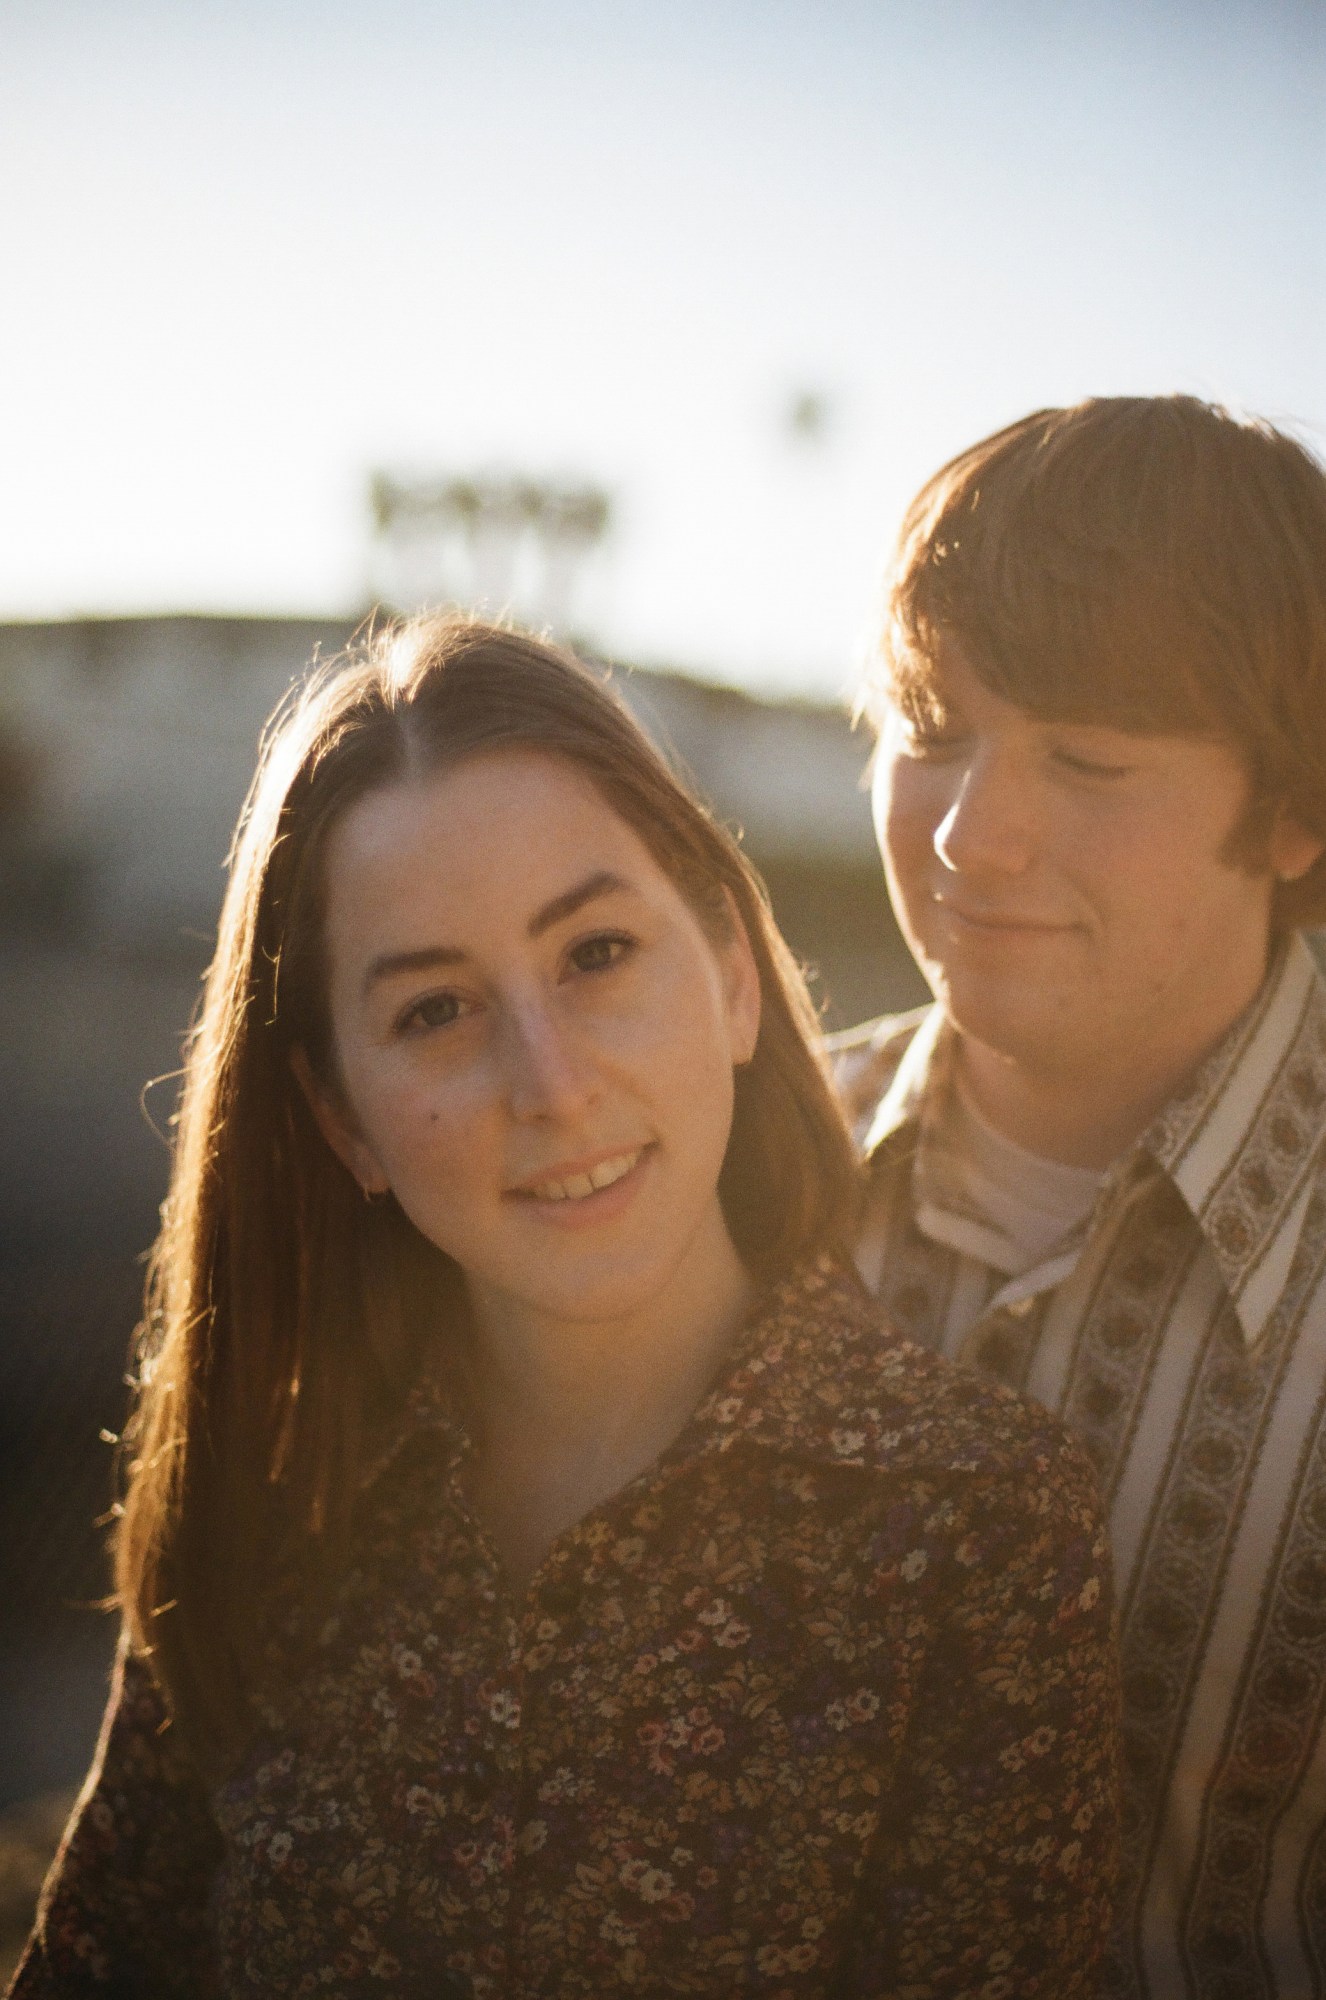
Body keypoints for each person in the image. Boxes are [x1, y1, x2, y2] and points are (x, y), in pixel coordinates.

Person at [13, 617, 1116, 1998]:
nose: (550, 1086)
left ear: (726, 976)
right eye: (434, 1012)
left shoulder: (976, 1526)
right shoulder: (273, 1490)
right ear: (342, 1120)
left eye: (595, 954)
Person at [834, 394, 1326, 2000]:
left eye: (1088, 758)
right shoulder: (720, 1171)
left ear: (1296, 811)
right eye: (930, 730)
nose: (972, 832)